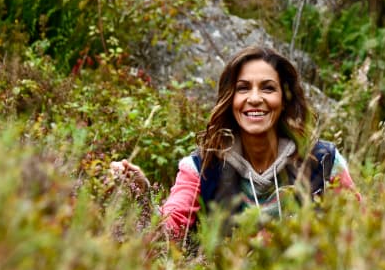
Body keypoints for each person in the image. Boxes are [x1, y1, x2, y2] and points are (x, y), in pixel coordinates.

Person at [112, 46, 360, 241]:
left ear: (284, 99)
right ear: (230, 99)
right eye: (243, 89)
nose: (254, 99)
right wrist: (142, 198)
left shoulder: (322, 163)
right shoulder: (202, 168)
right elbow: (169, 236)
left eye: (268, 88)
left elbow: (362, 236)